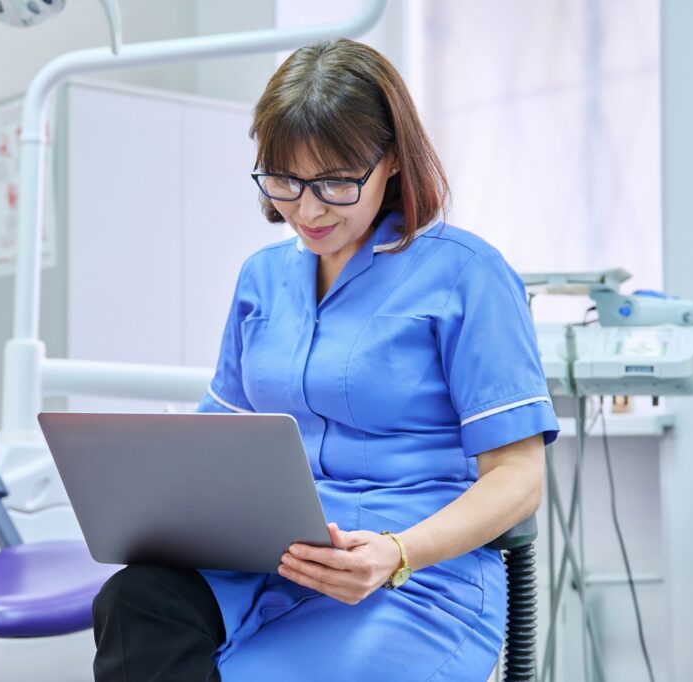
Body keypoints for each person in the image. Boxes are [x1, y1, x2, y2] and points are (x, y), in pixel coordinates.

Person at [92, 38, 558, 681]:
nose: (306, 210)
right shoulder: (262, 277)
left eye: (336, 182)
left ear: (391, 161)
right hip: (264, 564)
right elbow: (216, 441)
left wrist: (395, 553)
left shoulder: (466, 275)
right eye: (284, 180)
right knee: (135, 602)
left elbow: (519, 476)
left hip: (411, 579)